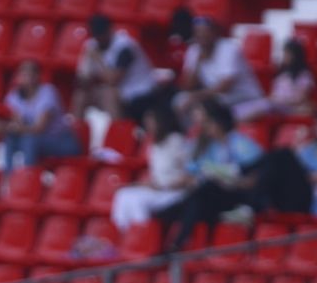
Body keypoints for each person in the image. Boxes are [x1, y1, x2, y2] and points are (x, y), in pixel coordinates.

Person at [156, 100, 264, 252]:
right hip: (214, 197)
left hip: (241, 197)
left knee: (202, 194)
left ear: (220, 123)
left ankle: (177, 241)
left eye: (210, 123)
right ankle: (176, 240)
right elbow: (197, 171)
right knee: (199, 198)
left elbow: (256, 178)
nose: (206, 128)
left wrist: (232, 180)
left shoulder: (241, 144)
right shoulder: (212, 147)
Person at [111, 103, 194, 232]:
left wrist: (164, 186)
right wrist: (136, 184)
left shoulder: (176, 140)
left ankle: (143, 235)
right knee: (122, 194)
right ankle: (127, 236)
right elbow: (157, 177)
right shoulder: (154, 145)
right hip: (159, 189)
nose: (148, 126)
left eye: (151, 122)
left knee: (138, 201)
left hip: (174, 192)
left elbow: (188, 175)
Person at [0, 60, 80, 172]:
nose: (23, 77)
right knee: (11, 138)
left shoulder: (48, 92)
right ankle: (8, 178)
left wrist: (5, 127)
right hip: (38, 141)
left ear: (37, 76)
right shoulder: (14, 97)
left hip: (62, 142)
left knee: (29, 139)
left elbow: (39, 128)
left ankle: (28, 180)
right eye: (21, 74)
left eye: (27, 74)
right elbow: (18, 123)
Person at [175, 16, 266, 120]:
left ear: (215, 33)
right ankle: (192, 134)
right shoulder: (194, 50)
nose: (201, 35)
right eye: (198, 32)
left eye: (205, 31)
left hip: (244, 97)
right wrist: (198, 63)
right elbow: (187, 86)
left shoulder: (229, 48)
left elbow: (225, 87)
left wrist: (196, 97)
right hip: (217, 97)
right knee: (180, 100)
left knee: (206, 105)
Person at [73, 13, 156, 118]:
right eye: (96, 34)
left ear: (109, 30)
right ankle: (76, 131)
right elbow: (82, 79)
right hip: (119, 92)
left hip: (139, 92)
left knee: (109, 94)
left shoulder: (125, 46)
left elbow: (113, 80)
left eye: (101, 33)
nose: (99, 38)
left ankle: (117, 131)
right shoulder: (91, 46)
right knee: (81, 96)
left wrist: (98, 59)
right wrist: (85, 79)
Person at [233, 39, 316, 121]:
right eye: (284, 53)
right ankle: (233, 117)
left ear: (296, 55)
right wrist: (273, 100)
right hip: (275, 105)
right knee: (255, 103)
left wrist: (279, 101)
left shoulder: (304, 75)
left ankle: (238, 121)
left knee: (265, 105)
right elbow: (273, 94)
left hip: (289, 107)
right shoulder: (282, 75)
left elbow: (300, 98)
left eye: (288, 53)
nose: (285, 56)